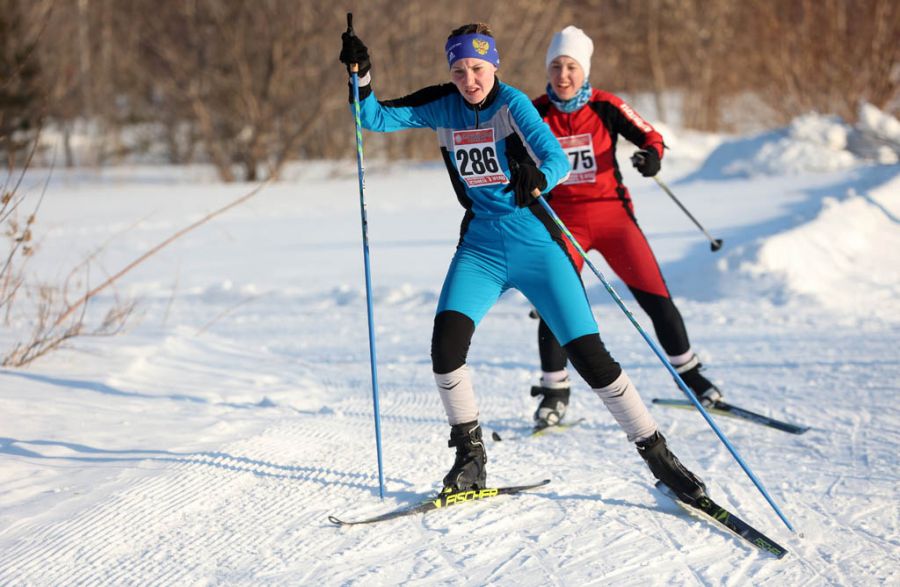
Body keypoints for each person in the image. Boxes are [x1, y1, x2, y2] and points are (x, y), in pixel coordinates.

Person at [339, 21, 706, 503]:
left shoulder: (513, 104)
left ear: (494, 65)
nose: (469, 80)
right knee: (446, 347)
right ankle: (470, 458)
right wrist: (362, 75)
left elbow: (557, 160)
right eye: (459, 70)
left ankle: (659, 456)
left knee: (591, 357)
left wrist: (538, 176)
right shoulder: (442, 103)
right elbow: (373, 118)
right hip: (481, 248)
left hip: (537, 245)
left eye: (477, 68)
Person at [528, 26, 723, 431]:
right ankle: (554, 391)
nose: (563, 75)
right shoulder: (534, 112)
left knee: (656, 296)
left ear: (584, 71)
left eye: (571, 67)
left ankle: (690, 376)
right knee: (555, 304)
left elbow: (651, 136)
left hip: (613, 219)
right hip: (563, 223)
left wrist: (651, 157)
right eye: (556, 66)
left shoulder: (606, 105)